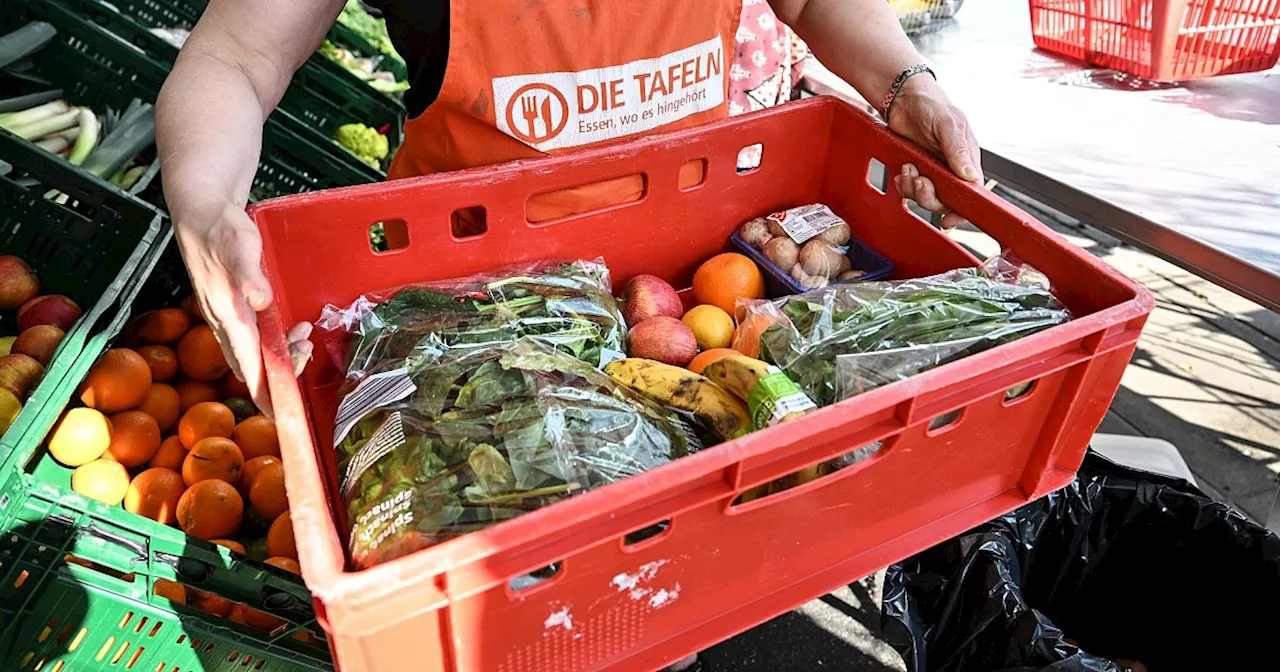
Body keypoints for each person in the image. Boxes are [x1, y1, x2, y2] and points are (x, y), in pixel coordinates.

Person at [155, 0, 982, 415]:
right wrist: (203, 202)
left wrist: (904, 81)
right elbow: (236, 55)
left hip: (687, 281)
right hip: (470, 310)